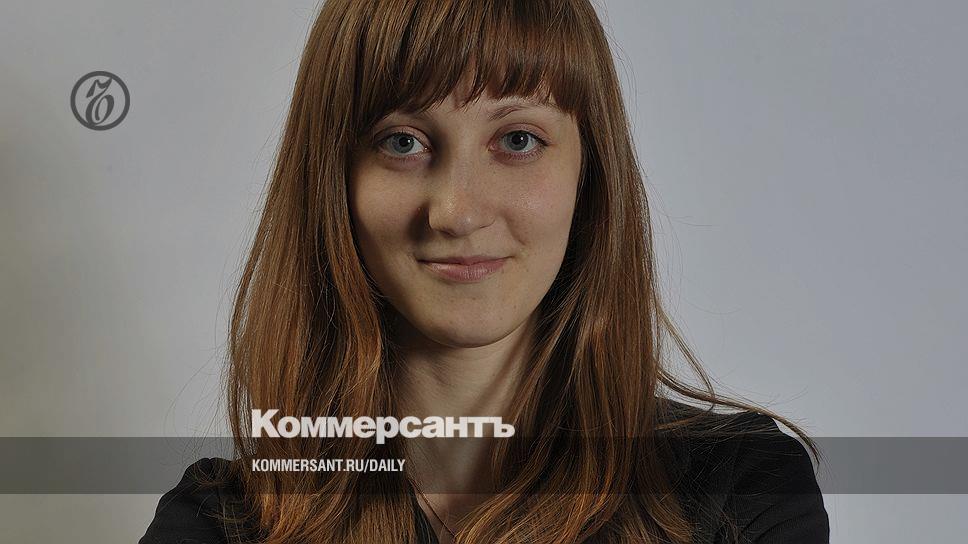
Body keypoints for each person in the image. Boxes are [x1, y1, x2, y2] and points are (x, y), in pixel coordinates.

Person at [141, 0, 829, 542]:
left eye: (518, 139)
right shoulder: (221, 522)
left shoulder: (740, 489)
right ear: (333, 183)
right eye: (402, 141)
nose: (457, 211)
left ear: (590, 175)